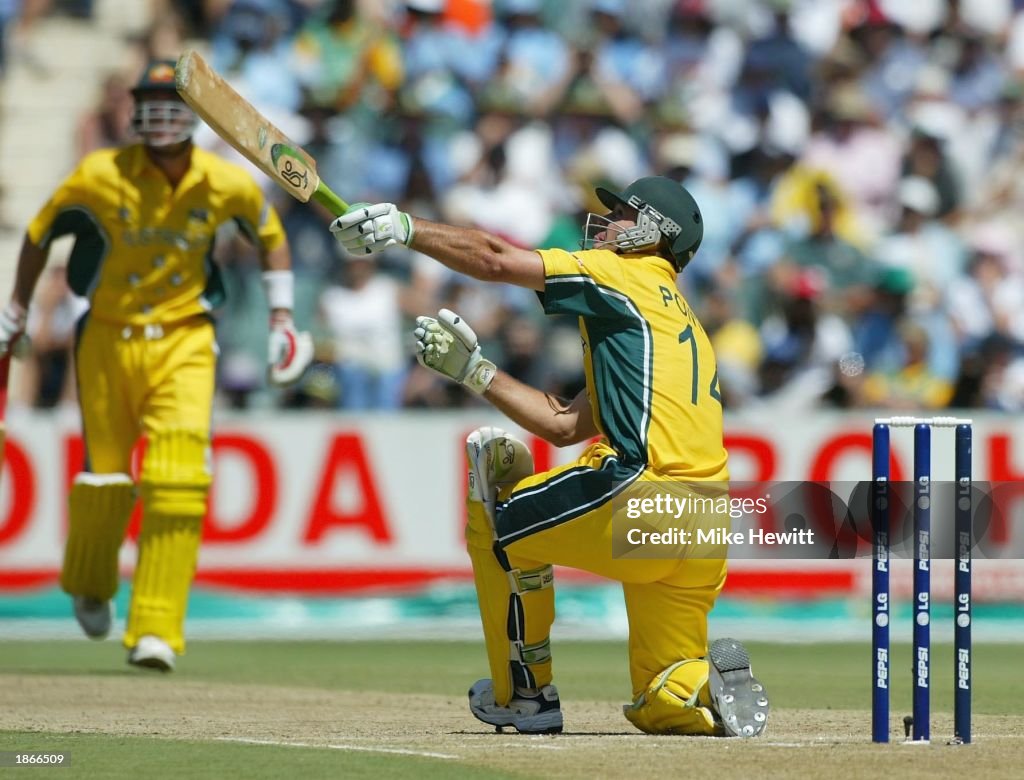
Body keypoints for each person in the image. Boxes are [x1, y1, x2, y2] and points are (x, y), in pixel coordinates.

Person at [330, 176, 770, 737]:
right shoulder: (681, 321)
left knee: (495, 519)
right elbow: (564, 424)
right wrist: (475, 372)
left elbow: (495, 260)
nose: (605, 222)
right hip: (707, 528)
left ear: (656, 232)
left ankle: (524, 695)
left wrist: (405, 228)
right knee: (660, 697)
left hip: (644, 495)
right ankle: (704, 688)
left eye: (622, 214)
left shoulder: (623, 275)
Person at [0, 59, 313, 671]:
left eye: (170, 100)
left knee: (179, 482)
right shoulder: (99, 175)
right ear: (132, 111)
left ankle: (156, 629)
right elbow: (40, 235)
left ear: (196, 113)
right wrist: (15, 308)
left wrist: (282, 317)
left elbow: (271, 235)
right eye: (147, 100)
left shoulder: (225, 183)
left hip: (185, 340)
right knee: (105, 480)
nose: (159, 112)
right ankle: (90, 583)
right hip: (108, 340)